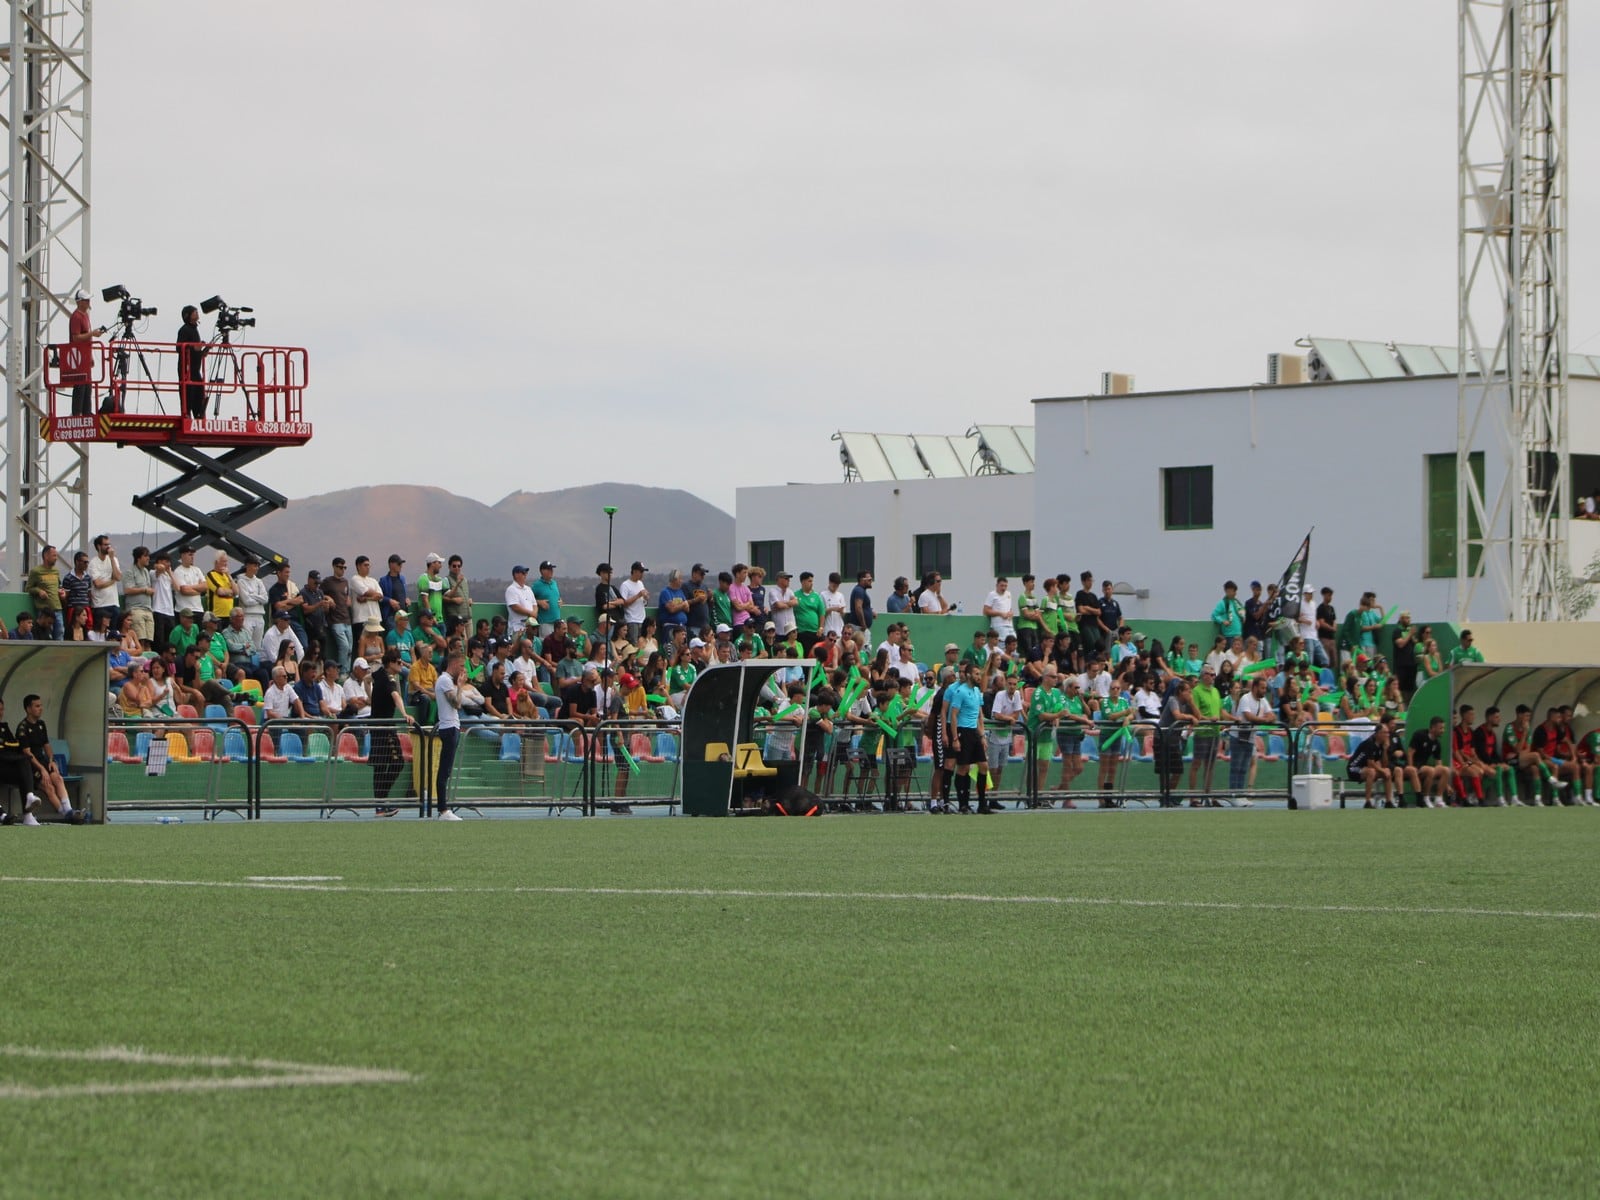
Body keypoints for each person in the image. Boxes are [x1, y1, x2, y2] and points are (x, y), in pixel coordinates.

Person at [368, 647, 413, 817]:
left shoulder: (378, 673)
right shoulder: (388, 679)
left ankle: (380, 805)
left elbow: (367, 680)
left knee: (380, 766)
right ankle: (381, 801)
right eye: (399, 662)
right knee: (397, 762)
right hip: (385, 727)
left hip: (376, 725)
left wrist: (370, 697)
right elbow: (396, 697)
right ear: (391, 663)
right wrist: (404, 714)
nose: (402, 664)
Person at [16, 693, 76, 821]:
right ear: (28, 709)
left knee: (58, 778)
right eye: (37, 706)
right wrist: (42, 770)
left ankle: (69, 810)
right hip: (30, 766)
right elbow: (27, 753)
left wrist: (51, 760)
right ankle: (66, 815)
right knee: (48, 786)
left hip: (43, 761)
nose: (40, 708)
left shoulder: (41, 724)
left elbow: (46, 745)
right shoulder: (22, 728)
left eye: (41, 705)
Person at [943, 662, 992, 813]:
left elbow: (979, 715)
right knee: (963, 767)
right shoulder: (960, 691)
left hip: (974, 732)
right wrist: (955, 738)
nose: (979, 677)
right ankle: (962, 803)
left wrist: (982, 735)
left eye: (980, 674)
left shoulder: (977, 691)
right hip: (963, 731)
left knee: (983, 766)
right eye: (977, 674)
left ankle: (982, 804)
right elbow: (953, 714)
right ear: (970, 675)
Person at [432, 651, 465, 820]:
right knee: (444, 770)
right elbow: (457, 703)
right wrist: (460, 686)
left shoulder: (445, 681)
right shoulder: (445, 680)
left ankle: (444, 808)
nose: (463, 669)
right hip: (449, 727)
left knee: (446, 770)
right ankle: (443, 809)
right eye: (461, 666)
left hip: (452, 727)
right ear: (453, 665)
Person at [0, 697, 42, 824]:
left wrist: (5, 745)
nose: (0, 713)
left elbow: (14, 745)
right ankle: (3, 816)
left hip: (5, 766)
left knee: (24, 762)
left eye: (2, 709)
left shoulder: (4, 728)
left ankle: (28, 813)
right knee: (22, 760)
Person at [67, 289, 105, 417]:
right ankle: (77, 412)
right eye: (86, 300)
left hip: (84, 355)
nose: (89, 302)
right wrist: (92, 333)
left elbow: (86, 338)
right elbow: (76, 338)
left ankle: (86, 412)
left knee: (88, 385)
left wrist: (91, 355)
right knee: (80, 384)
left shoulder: (85, 316)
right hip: (77, 355)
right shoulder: (76, 317)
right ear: (80, 302)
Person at [1408, 715, 1450, 808]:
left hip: (1425, 767)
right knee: (1430, 770)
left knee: (1446, 770)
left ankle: (1438, 799)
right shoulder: (1419, 735)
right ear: (1433, 728)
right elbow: (1410, 752)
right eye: (1441, 728)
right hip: (1416, 766)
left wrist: (1446, 785)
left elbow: (1438, 764)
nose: (1443, 730)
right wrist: (1411, 767)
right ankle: (1425, 798)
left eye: (1443, 728)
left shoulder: (1437, 743)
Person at [26, 544, 65, 640]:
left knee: (60, 632)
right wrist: (39, 591)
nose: (56, 558)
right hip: (44, 611)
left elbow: (58, 586)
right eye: (54, 556)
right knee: (47, 635)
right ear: (46, 556)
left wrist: (61, 592)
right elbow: (28, 588)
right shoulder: (36, 571)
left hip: (57, 608)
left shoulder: (56, 571)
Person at [176, 305, 207, 419]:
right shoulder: (184, 330)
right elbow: (179, 348)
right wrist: (194, 347)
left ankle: (199, 415)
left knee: (199, 394)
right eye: (194, 312)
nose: (197, 314)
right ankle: (187, 414)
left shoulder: (195, 329)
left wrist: (203, 350)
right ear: (187, 315)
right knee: (188, 393)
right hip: (186, 369)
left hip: (196, 369)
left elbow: (197, 351)